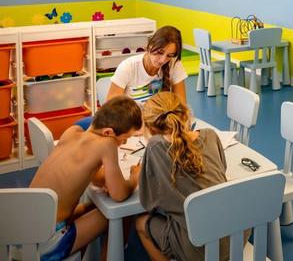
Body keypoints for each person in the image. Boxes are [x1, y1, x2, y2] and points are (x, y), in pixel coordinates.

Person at [29, 96, 142, 261]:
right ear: (108, 133)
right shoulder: (107, 144)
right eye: (124, 139)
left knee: (92, 207)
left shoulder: (72, 132)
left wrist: (108, 181)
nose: (122, 143)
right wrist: (135, 177)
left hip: (24, 229)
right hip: (48, 242)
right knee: (119, 214)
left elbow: (93, 176)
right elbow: (119, 195)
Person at [135, 92, 228, 261]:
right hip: (235, 233)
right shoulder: (210, 135)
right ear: (186, 114)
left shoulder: (155, 147)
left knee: (141, 223)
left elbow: (148, 202)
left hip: (198, 249)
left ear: (148, 127)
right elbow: (223, 169)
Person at [107, 25, 188, 105]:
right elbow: (111, 110)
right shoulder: (128, 67)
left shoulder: (174, 63)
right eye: (160, 52)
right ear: (150, 46)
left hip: (159, 117)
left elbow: (181, 105)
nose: (163, 60)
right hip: (132, 118)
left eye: (169, 55)